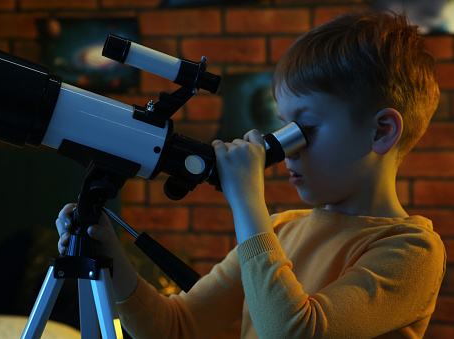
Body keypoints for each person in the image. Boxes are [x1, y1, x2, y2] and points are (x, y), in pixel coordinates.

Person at [56, 11, 446, 338]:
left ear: (381, 132)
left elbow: (293, 332)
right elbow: (174, 328)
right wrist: (111, 255)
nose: (287, 147)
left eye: (305, 130)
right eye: (283, 127)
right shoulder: (278, 231)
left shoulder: (411, 251)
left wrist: (246, 202)